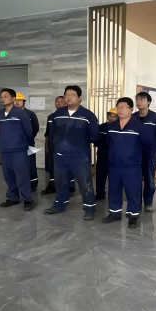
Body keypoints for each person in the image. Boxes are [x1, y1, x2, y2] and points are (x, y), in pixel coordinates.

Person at [44, 85, 100, 220]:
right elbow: (52, 134)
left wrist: (79, 143)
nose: (69, 97)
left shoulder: (88, 116)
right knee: (60, 183)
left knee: (85, 184)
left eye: (72, 95)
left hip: (79, 157)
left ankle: (89, 208)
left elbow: (95, 135)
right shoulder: (57, 115)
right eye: (67, 95)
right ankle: (60, 204)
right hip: (60, 156)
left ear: (80, 98)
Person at [101, 98, 152, 228]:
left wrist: (134, 155)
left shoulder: (139, 126)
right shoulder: (112, 126)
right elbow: (109, 142)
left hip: (132, 166)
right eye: (119, 107)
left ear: (131, 109)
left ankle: (133, 216)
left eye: (124, 107)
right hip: (114, 165)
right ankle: (114, 213)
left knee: (133, 192)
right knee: (113, 190)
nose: (120, 110)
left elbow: (147, 144)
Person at [0, 89, 35, 211]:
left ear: (13, 99)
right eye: (1, 96)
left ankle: (28, 200)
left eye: (6, 96)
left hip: (19, 150)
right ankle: (13, 198)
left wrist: (23, 144)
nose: (3, 99)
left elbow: (29, 131)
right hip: (4, 150)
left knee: (22, 176)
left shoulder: (20, 113)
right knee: (9, 176)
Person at [133, 92, 156, 212]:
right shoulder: (133, 117)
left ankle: (148, 201)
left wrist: (153, 148)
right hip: (135, 152)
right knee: (135, 178)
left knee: (149, 178)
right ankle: (136, 202)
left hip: (150, 152)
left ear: (149, 102)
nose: (139, 102)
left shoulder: (155, 118)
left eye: (142, 99)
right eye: (137, 99)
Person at [42, 96, 76, 195]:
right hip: (53, 147)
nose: (58, 103)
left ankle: (70, 187)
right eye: (57, 101)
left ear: (66, 103)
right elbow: (47, 133)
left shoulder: (70, 116)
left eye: (61, 101)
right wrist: (46, 146)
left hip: (67, 148)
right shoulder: (51, 117)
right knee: (52, 167)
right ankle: (52, 186)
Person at [14, 92, 40, 192]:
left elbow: (35, 128)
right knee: (18, 166)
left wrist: (29, 138)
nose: (17, 102)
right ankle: (19, 184)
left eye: (20, 100)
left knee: (30, 165)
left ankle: (33, 184)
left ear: (24, 102)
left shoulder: (30, 114)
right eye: (15, 100)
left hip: (29, 144)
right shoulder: (10, 114)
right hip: (15, 145)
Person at [95, 108, 119, 200]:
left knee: (114, 176)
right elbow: (96, 139)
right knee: (100, 175)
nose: (111, 118)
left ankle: (114, 194)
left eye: (114, 116)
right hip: (102, 155)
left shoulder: (120, 128)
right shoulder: (101, 127)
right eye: (110, 116)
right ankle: (100, 193)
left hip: (115, 156)